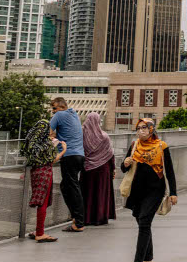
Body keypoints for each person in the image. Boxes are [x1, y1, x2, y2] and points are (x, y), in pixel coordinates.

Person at [121, 118, 177, 262]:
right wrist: (125, 163)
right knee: (141, 221)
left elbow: (170, 170)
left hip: (155, 191)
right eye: (138, 128)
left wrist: (173, 192)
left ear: (151, 129)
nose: (141, 131)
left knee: (144, 221)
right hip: (137, 190)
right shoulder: (134, 145)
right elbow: (123, 168)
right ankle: (149, 259)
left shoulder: (161, 146)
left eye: (144, 128)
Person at [21, 119, 66, 243]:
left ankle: (38, 230)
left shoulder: (31, 142)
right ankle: (40, 233)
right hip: (45, 173)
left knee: (39, 200)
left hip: (35, 172)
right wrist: (63, 151)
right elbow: (52, 160)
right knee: (43, 203)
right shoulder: (46, 144)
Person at [49, 97, 86, 232]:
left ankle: (79, 222)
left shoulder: (59, 115)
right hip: (79, 156)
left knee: (73, 188)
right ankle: (76, 217)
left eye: (54, 108)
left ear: (60, 107)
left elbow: (47, 132)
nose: (53, 112)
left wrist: (52, 136)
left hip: (69, 155)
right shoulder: (73, 114)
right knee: (66, 187)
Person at [81, 111, 116, 226]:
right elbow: (110, 154)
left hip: (88, 169)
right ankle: (100, 217)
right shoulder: (105, 136)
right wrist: (113, 169)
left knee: (88, 194)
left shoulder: (82, 135)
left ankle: (87, 217)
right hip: (103, 169)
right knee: (101, 193)